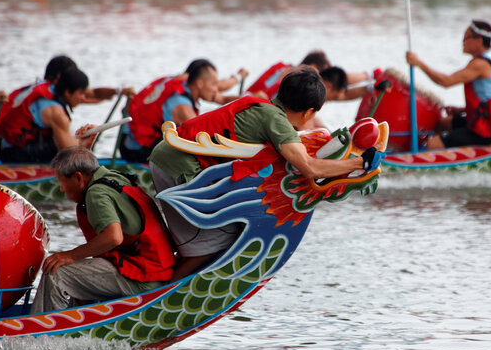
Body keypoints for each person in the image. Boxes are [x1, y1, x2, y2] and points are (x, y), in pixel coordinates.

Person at [149, 66, 384, 280]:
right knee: (213, 245)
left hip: (169, 157)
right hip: (176, 163)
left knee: (216, 236)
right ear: (309, 113)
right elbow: (310, 168)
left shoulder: (262, 107)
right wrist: (358, 163)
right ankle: (162, 293)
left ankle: (167, 275)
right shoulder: (276, 122)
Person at [30, 146, 177, 313]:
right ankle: (74, 316)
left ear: (78, 177)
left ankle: (42, 326)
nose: (62, 189)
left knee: (56, 272)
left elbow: (113, 237)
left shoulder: (96, 193)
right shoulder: (113, 177)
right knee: (74, 269)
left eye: (61, 182)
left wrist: (70, 255)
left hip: (143, 277)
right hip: (155, 271)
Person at [406, 20, 491, 149]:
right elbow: (490, 99)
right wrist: (463, 110)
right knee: (443, 123)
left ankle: (428, 155)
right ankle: (437, 151)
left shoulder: (480, 65)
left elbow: (445, 81)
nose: (463, 41)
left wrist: (419, 63)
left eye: (466, 37)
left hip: (487, 131)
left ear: (479, 41)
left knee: (433, 144)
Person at [119, 59, 222, 163]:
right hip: (136, 151)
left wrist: (233, 84)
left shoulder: (180, 83)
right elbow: (202, 136)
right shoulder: (181, 105)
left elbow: (224, 93)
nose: (216, 90)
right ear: (199, 83)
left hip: (129, 139)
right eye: (214, 84)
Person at [0, 67, 94, 163]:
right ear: (67, 92)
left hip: (3, 145)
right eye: (81, 93)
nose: (83, 97)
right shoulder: (56, 112)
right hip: (10, 152)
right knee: (59, 146)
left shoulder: (49, 88)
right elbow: (70, 153)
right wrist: (85, 144)